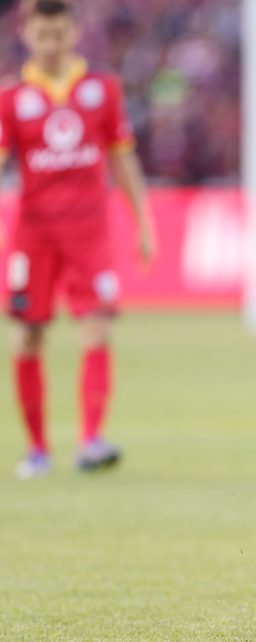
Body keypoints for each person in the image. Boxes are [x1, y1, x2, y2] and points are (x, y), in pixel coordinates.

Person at [0, 0, 156, 479]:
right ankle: (38, 450)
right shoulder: (12, 97)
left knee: (97, 327)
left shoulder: (101, 89)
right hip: (33, 235)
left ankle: (90, 441)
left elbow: (122, 158)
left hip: (89, 233)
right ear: (27, 34)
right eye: (42, 35)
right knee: (27, 336)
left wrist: (143, 221)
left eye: (59, 34)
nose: (51, 44)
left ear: (73, 33)